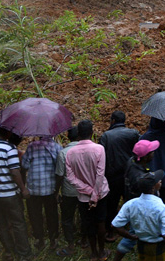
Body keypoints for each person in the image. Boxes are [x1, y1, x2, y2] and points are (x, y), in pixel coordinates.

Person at [66, 120, 111, 261]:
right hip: (100, 195)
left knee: (89, 223)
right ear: (92, 133)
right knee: (101, 222)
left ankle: (93, 253)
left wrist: (88, 191)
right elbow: (100, 174)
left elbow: (70, 177)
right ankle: (102, 252)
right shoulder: (99, 149)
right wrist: (95, 194)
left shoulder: (70, 152)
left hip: (83, 197)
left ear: (78, 134)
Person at [112, 170, 165, 261]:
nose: (160, 181)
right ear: (153, 187)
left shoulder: (130, 204)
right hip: (158, 244)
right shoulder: (160, 206)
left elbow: (115, 225)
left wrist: (130, 236)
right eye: (158, 181)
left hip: (142, 244)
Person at [114, 139, 160, 261]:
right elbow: (145, 193)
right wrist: (155, 188)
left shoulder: (132, 161)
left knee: (134, 233)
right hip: (140, 208)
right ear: (145, 157)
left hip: (132, 202)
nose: (153, 153)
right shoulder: (140, 177)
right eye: (151, 152)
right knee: (133, 235)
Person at [99, 110, 140, 242]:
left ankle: (111, 231)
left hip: (112, 176)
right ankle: (135, 230)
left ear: (113, 121)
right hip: (130, 174)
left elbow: (101, 156)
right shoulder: (133, 133)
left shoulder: (106, 136)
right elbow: (140, 149)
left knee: (111, 204)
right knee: (132, 202)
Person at [0, 125, 32, 261]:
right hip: (10, 194)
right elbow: (15, 171)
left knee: (1, 224)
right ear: (8, 134)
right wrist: (23, 189)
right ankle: (23, 253)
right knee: (18, 223)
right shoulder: (9, 148)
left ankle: (8, 252)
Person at [22, 135, 62, 250]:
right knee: (52, 214)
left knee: (35, 215)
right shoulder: (56, 147)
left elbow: (24, 165)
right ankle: (53, 239)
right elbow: (59, 168)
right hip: (50, 188)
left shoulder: (31, 147)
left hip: (34, 188)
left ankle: (39, 239)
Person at [55, 127, 82, 257]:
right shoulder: (88, 151)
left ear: (68, 136)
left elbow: (59, 175)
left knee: (67, 219)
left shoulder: (63, 153)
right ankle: (84, 240)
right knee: (85, 216)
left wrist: (56, 192)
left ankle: (71, 245)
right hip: (85, 191)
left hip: (69, 191)